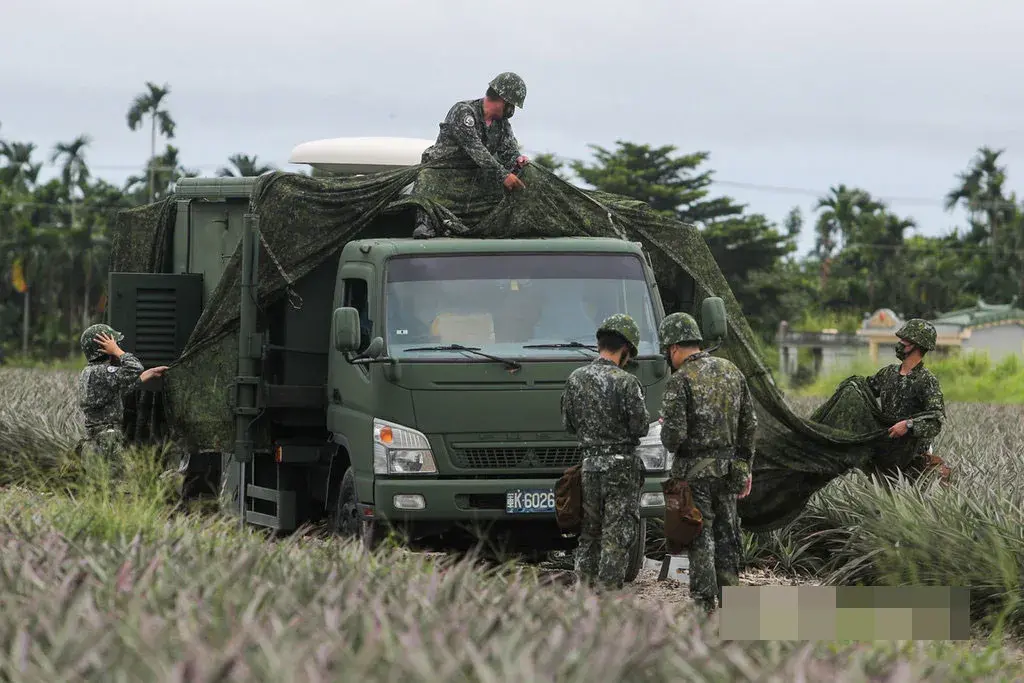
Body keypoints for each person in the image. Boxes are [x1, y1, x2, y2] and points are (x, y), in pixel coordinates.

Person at [657, 312, 757, 614]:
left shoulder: (680, 380)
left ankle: (704, 608)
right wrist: (744, 465)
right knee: (728, 537)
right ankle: (734, 607)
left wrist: (666, 426)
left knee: (701, 537)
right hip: (728, 472)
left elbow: (673, 439)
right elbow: (749, 424)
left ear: (674, 347)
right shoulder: (731, 371)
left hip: (693, 474)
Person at [560, 314, 650, 592]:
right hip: (620, 469)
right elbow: (640, 427)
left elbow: (568, 424)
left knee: (589, 534)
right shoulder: (627, 382)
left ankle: (583, 596)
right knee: (616, 535)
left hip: (589, 467)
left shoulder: (576, 379)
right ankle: (608, 600)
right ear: (625, 349)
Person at [412, 72, 530, 239]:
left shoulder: (501, 125)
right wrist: (504, 175)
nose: (512, 111)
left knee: (502, 194)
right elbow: (476, 149)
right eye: (512, 106)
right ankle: (427, 222)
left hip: (473, 180)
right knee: (428, 178)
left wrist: (518, 160)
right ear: (504, 101)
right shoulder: (463, 112)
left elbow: (508, 151)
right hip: (444, 174)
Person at [865, 318, 948, 484]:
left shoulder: (926, 380)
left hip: (912, 461)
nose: (899, 344)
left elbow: (935, 421)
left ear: (917, 345)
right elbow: (865, 391)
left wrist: (908, 425)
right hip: (884, 455)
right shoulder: (888, 373)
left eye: (904, 340)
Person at [77, 323, 168, 468]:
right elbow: (135, 367)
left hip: (95, 438)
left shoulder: (90, 372)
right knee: (117, 485)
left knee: (98, 486)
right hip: (108, 439)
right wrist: (117, 350)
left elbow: (116, 391)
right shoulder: (103, 371)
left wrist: (148, 375)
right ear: (104, 350)